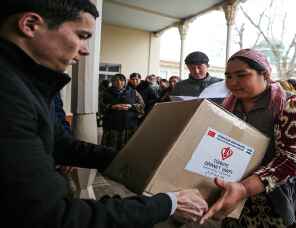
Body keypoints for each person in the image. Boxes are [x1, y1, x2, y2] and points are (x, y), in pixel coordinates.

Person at [0, 1, 208, 227]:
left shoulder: (31, 82)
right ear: (30, 24)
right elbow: (53, 216)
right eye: (81, 35)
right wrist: (168, 204)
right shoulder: (8, 92)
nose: (86, 49)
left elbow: (59, 143)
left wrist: (125, 160)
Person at [200, 49, 296, 227]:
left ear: (264, 74)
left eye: (241, 75)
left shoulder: (291, 106)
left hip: (281, 196)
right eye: (228, 76)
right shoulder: (228, 105)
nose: (233, 83)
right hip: (237, 194)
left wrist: (244, 188)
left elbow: (291, 160)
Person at [101, 73, 145, 151]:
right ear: (112, 82)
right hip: (112, 126)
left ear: (125, 81)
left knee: (127, 149)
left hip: (128, 126)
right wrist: (112, 106)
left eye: (121, 80)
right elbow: (100, 106)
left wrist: (131, 106)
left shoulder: (133, 92)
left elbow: (142, 105)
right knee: (110, 149)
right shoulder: (106, 92)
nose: (119, 83)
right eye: (116, 81)